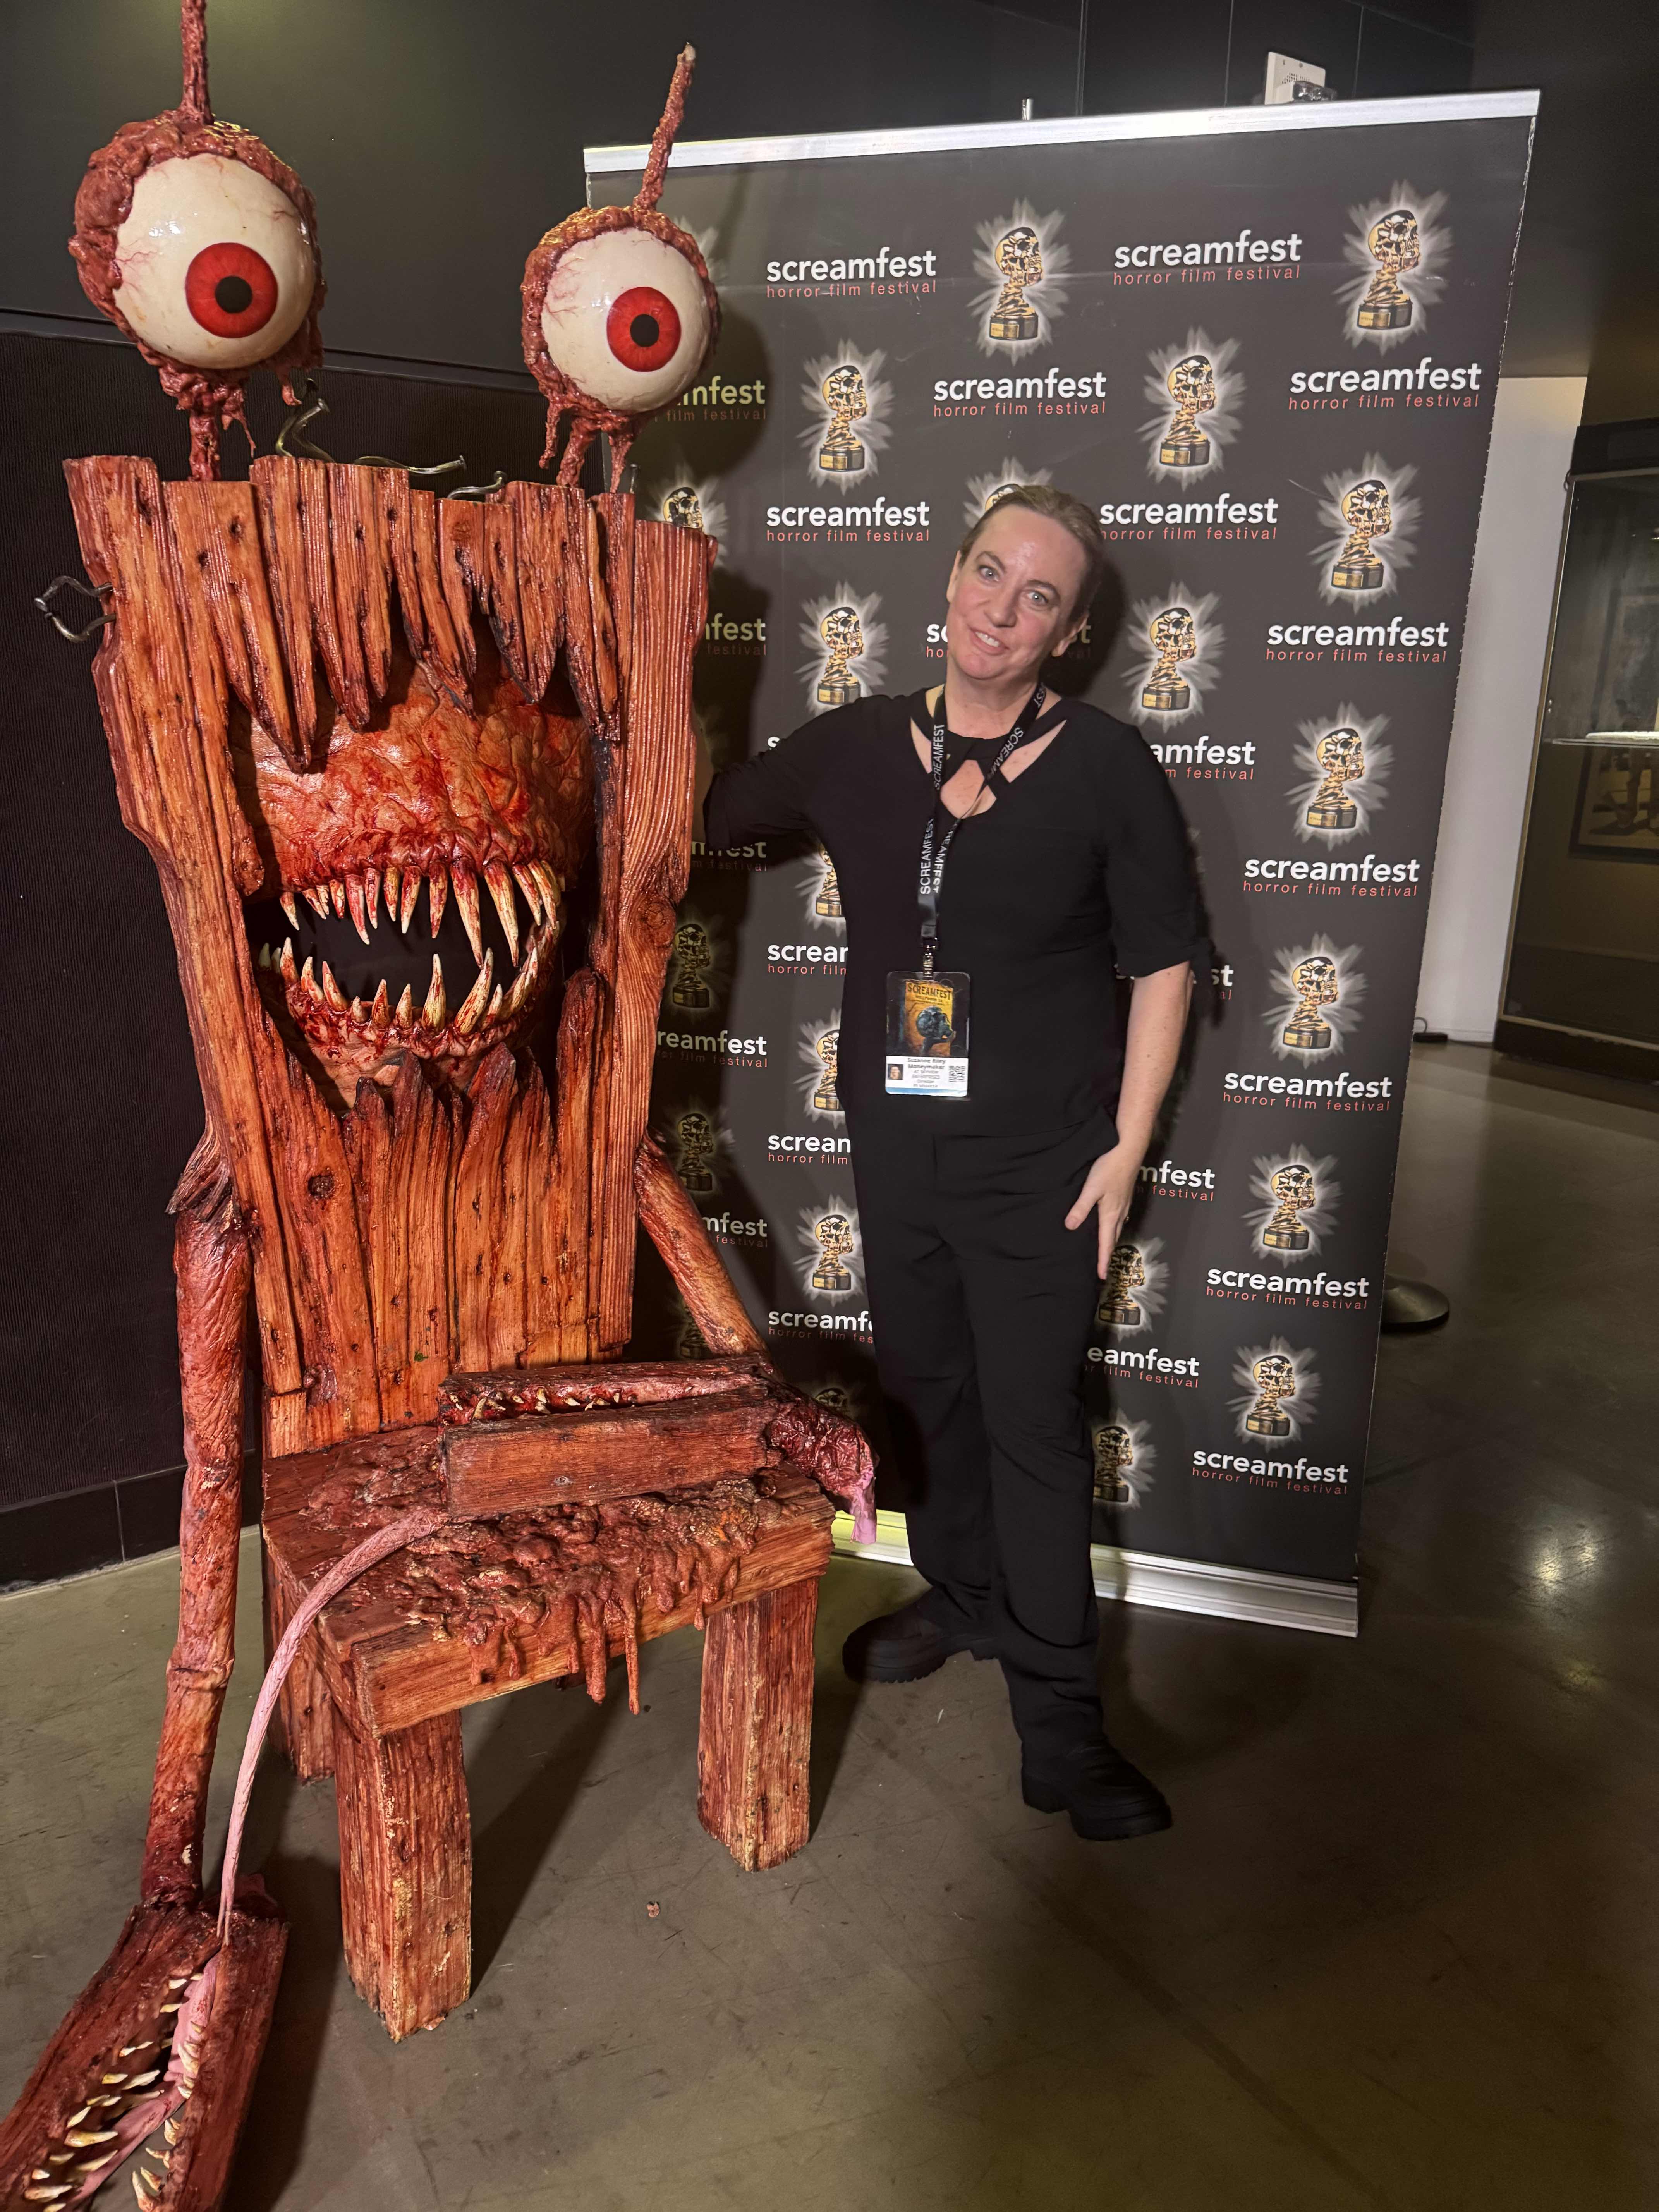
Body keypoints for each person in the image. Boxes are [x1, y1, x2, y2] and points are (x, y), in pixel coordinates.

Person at [699, 486, 1206, 1841]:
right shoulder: (859, 746)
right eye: (990, 573)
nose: (1002, 609)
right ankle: (966, 1596)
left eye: (1038, 596)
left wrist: (1125, 1150)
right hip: (896, 1155)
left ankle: (1062, 1726)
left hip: (1043, 1167)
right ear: (951, 577)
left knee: (1031, 1428)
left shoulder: (1103, 767)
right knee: (926, 1397)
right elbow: (706, 814)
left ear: (1069, 631)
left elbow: (1165, 965)